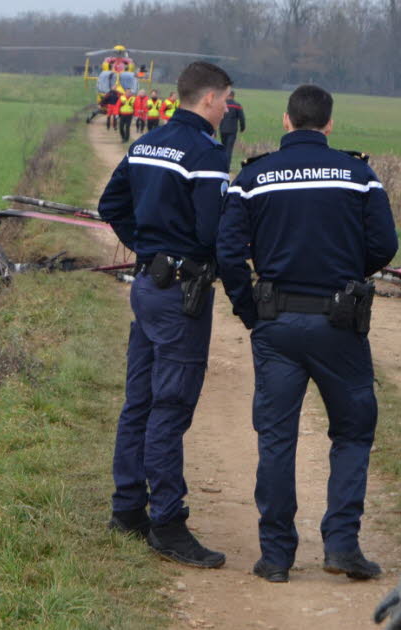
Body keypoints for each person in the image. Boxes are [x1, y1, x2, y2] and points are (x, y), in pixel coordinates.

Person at [217, 84, 398, 584]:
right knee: (353, 432)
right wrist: (347, 273)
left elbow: (229, 253)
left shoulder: (253, 177)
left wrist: (249, 308)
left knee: (277, 439)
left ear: (286, 121)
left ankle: (276, 557)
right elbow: (385, 244)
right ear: (329, 124)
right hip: (339, 324)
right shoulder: (358, 174)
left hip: (275, 324)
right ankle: (341, 546)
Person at [99, 61, 233, 569]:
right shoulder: (205, 152)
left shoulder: (146, 143)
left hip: (148, 287)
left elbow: (111, 203)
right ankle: (169, 523)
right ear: (207, 99)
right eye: (225, 99)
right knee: (170, 406)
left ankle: (128, 508)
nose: (227, 108)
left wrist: (146, 248)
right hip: (181, 296)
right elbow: (210, 232)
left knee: (140, 399)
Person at [219, 89, 246, 168]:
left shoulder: (222, 105)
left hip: (222, 129)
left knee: (224, 148)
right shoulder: (237, 105)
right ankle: (227, 167)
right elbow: (242, 118)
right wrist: (242, 128)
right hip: (232, 130)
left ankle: (222, 165)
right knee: (229, 149)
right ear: (233, 96)